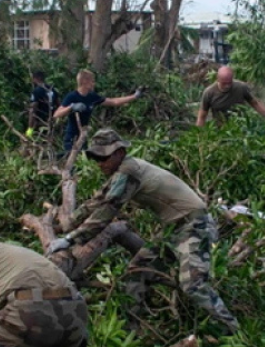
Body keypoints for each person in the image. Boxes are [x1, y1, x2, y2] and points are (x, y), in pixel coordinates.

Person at [47, 129, 240, 334]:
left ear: (119, 153)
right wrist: (70, 221)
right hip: (173, 229)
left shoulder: (129, 172)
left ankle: (233, 330)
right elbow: (97, 200)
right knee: (136, 273)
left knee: (192, 285)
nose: (99, 163)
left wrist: (70, 240)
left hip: (194, 226)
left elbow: (106, 212)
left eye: (103, 157)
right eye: (95, 158)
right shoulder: (121, 172)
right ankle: (133, 331)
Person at [53, 69, 141, 155]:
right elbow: (56, 115)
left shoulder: (92, 96)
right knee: (71, 163)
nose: (94, 84)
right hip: (72, 137)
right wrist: (71, 107)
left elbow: (114, 101)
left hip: (83, 136)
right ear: (84, 81)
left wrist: (134, 96)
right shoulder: (72, 96)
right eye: (92, 81)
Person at [196, 65, 265, 127]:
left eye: (229, 82)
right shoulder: (209, 92)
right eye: (224, 83)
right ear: (217, 79)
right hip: (221, 130)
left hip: (240, 127)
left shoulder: (241, 87)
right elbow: (202, 116)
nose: (227, 86)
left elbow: (255, 104)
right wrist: (200, 136)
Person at [27, 70, 58, 136]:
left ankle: (30, 132)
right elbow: (58, 104)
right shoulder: (52, 89)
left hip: (41, 121)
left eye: (33, 78)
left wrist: (30, 128)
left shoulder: (37, 91)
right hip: (51, 120)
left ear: (37, 78)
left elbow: (33, 109)